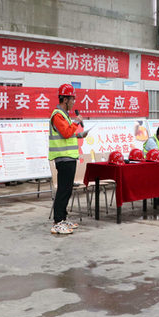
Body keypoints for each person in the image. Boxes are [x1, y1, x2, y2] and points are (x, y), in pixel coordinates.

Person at [49, 83, 90, 235]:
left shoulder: (65, 115)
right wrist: (77, 122)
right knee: (63, 190)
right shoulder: (57, 115)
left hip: (69, 158)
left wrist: (79, 135)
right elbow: (66, 133)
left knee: (67, 190)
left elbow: (68, 134)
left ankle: (63, 218)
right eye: (72, 99)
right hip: (63, 158)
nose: (74, 102)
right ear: (65, 99)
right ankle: (57, 222)